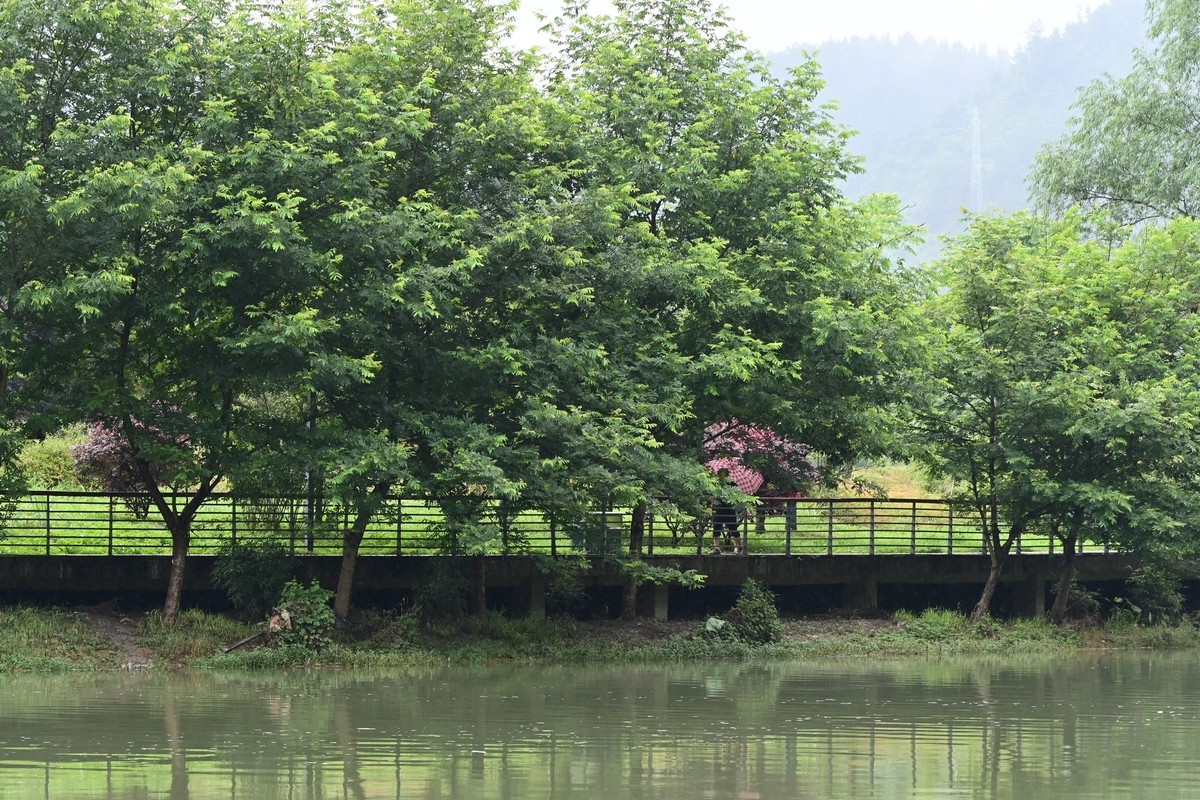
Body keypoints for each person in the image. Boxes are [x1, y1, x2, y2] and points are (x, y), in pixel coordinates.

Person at [710, 468, 744, 555]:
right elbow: (713, 496)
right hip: (719, 509)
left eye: (722, 474)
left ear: (726, 474)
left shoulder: (732, 484)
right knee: (716, 528)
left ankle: (739, 547)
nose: (721, 476)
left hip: (729, 509)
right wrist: (713, 503)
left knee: (733, 528)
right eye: (719, 474)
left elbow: (738, 497)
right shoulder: (717, 484)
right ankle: (716, 548)